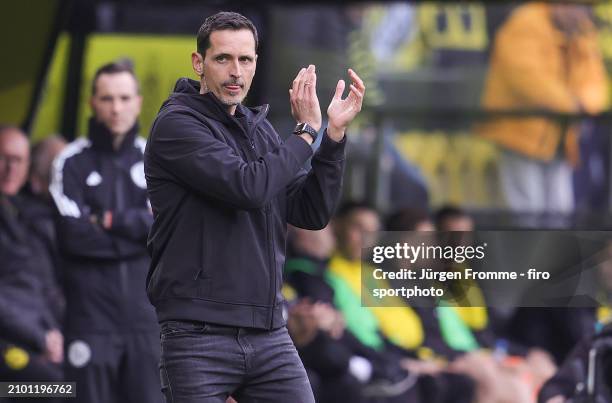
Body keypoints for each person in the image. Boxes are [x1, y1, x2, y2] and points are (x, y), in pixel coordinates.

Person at [144, 11, 365, 403]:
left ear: (256, 64)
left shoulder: (258, 128)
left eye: (245, 60)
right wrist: (304, 133)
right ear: (199, 63)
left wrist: (332, 137)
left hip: (268, 334)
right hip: (197, 337)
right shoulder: (177, 125)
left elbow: (310, 212)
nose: (235, 72)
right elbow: (249, 186)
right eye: (223, 58)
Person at [49, 60, 161, 403]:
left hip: (147, 323)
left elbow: (166, 228)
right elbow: (72, 235)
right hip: (89, 323)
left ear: (139, 102)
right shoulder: (69, 161)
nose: (116, 108)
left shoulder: (157, 158)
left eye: (125, 98)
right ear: (92, 103)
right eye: (107, 98)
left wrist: (105, 220)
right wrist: (139, 233)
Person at [477, 3, 608, 214]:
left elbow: (594, 78)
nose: (583, 14)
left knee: (560, 210)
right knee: (528, 210)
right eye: (578, 7)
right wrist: (572, 105)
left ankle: (556, 248)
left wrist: (587, 105)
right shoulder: (526, 21)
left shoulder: (581, 28)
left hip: (559, 138)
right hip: (519, 134)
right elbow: (526, 78)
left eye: (587, 8)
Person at [0, 126, 64, 401]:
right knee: (59, 388)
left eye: (18, 160)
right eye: (3, 158)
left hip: (42, 340)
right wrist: (40, 337)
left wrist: (57, 333)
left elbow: (44, 286)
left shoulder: (30, 217)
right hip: (15, 344)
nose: (10, 168)